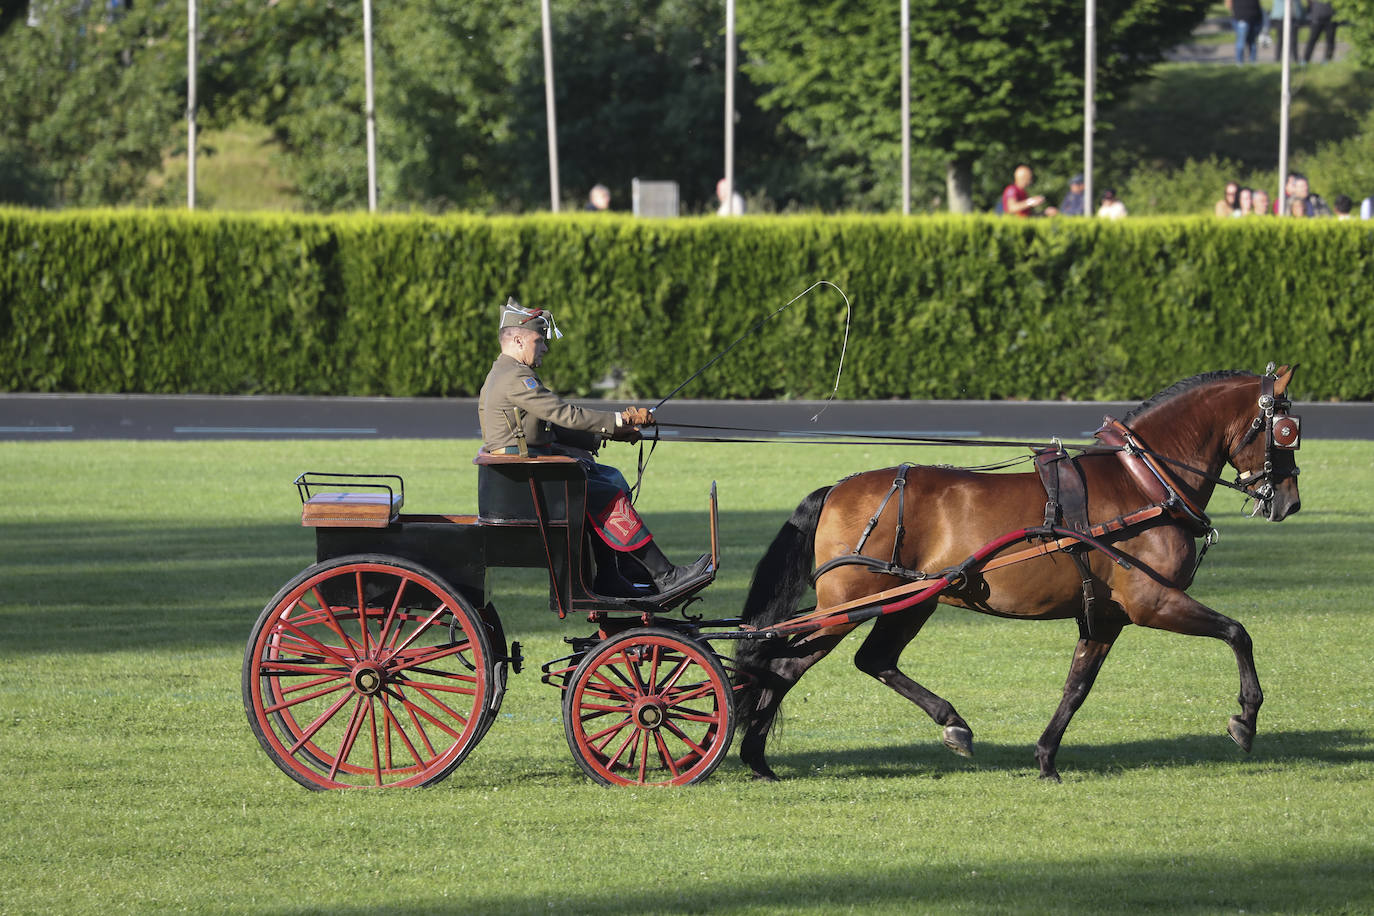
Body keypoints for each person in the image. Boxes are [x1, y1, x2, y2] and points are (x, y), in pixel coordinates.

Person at [478, 298, 712, 596]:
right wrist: (620, 418)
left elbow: (544, 427)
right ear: (519, 340)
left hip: (528, 469)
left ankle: (616, 573)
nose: (545, 349)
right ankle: (665, 576)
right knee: (609, 495)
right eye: (540, 341)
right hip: (527, 477)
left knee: (611, 477)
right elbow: (563, 414)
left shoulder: (505, 373)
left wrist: (612, 434)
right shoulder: (515, 377)